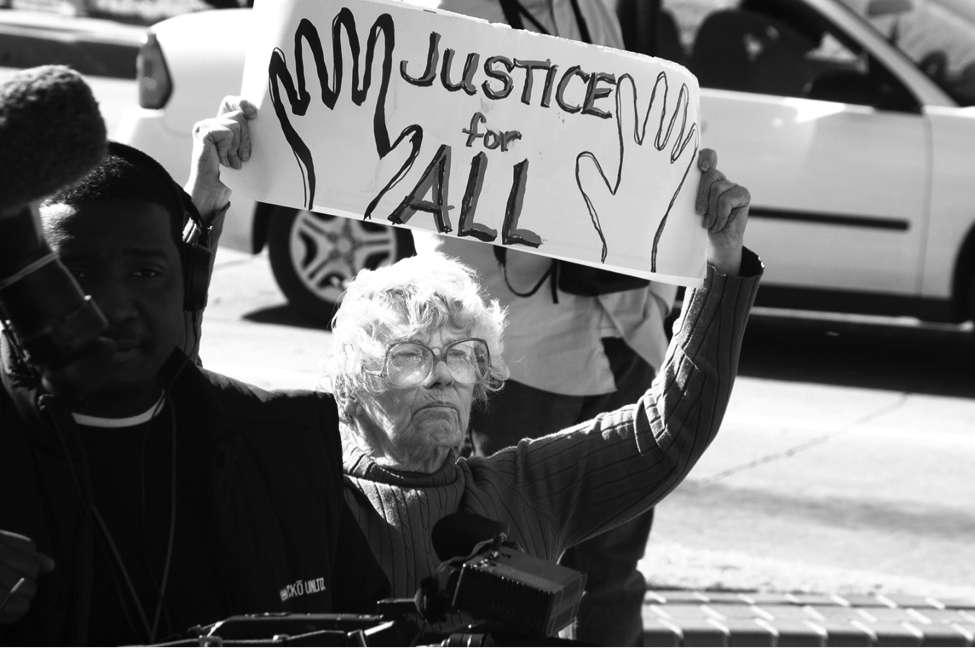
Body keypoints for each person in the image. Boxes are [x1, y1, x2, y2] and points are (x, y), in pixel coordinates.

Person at [0, 69, 388, 646]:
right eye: (74, 273)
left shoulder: (286, 447)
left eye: (146, 272)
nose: (111, 306)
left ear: (189, 283)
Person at [328, 144, 760, 637]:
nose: (441, 375)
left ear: (482, 381)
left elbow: (669, 431)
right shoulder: (315, 499)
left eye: (460, 354)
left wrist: (721, 265)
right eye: (409, 355)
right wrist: (213, 215)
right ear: (351, 388)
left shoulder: (524, 490)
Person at [407, 1, 677, 644]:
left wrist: (659, 296)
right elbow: (426, 169)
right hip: (520, 349)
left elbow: (635, 139)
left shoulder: (594, 6)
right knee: (510, 581)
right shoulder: (456, 11)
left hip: (625, 329)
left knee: (612, 568)